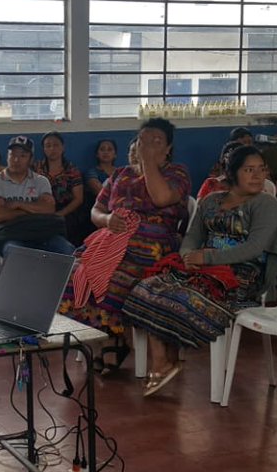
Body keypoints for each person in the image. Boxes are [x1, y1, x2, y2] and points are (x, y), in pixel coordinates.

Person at [124, 146, 277, 396]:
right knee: (147, 287)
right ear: (232, 173)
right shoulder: (211, 201)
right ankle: (163, 359)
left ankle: (168, 359)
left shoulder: (265, 204)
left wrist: (207, 257)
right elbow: (192, 236)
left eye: (261, 170)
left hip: (241, 277)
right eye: (249, 170)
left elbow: (254, 249)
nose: (257, 176)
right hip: (203, 269)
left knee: (180, 296)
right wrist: (188, 256)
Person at [60, 118, 191, 363]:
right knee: (76, 270)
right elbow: (95, 211)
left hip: (152, 247)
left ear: (168, 148)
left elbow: (162, 198)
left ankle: (115, 339)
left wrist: (148, 162)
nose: (149, 145)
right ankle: (102, 339)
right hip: (112, 238)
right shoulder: (120, 174)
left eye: (157, 141)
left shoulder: (176, 173)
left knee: (116, 276)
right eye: (144, 140)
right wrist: (107, 219)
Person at [0, 135, 76, 257]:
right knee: (17, 254)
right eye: (12, 155)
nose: (16, 160)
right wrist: (34, 211)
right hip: (11, 235)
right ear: (7, 157)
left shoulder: (40, 180)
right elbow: (0, 215)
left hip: (41, 233)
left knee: (69, 250)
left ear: (31, 159)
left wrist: (19, 205)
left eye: (22, 156)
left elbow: (49, 209)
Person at [34, 131, 85, 243]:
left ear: (63, 147)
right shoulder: (36, 168)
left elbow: (78, 199)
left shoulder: (72, 170)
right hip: (41, 210)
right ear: (43, 149)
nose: (52, 149)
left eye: (56, 145)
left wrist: (59, 214)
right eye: (48, 146)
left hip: (66, 212)